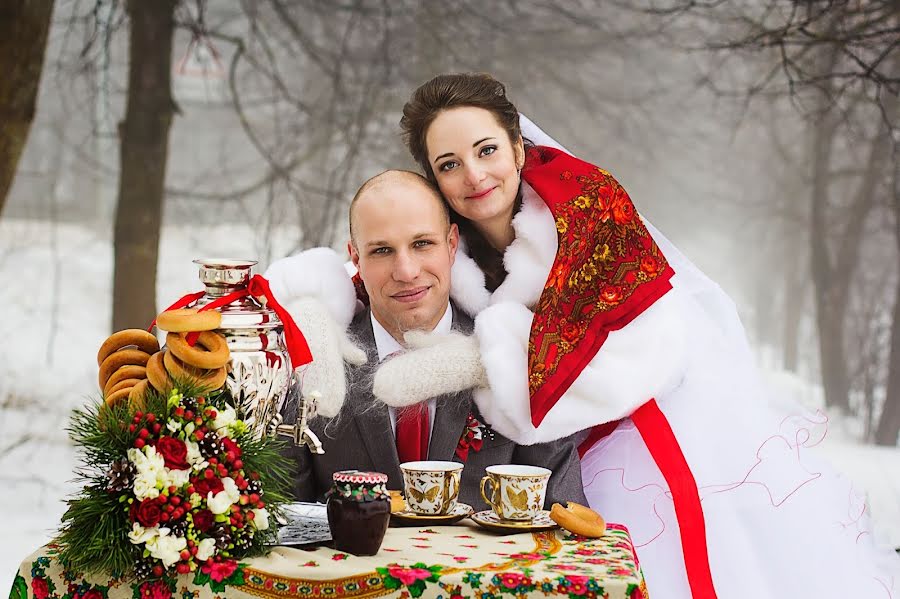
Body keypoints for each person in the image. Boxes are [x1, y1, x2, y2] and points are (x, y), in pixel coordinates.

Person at [360, 73, 899, 598]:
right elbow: (383, 276)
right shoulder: (452, 247)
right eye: (449, 165)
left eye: (486, 151)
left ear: (518, 149)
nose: (474, 176)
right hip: (540, 452)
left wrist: (483, 362)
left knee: (652, 564)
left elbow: (641, 354)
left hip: (631, 428)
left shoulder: (587, 210)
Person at [272, 170, 587, 510]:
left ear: (452, 244)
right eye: (382, 250)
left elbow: (566, 517)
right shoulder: (312, 360)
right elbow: (280, 518)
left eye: (422, 244)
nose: (406, 271)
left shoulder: (517, 354)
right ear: (356, 258)